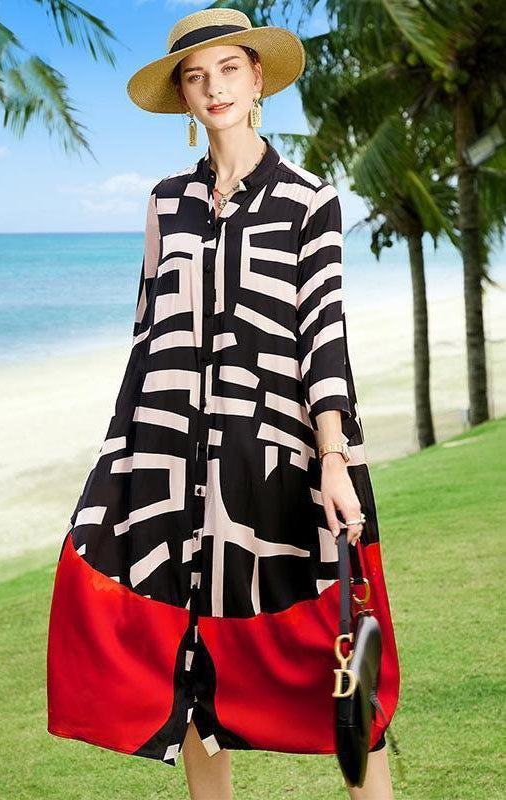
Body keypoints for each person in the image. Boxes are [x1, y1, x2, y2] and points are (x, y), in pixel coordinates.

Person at [46, 8, 401, 800]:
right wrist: (121, 456)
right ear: (183, 95)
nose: (215, 88)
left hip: (278, 456)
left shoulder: (309, 200)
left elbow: (324, 338)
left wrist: (334, 458)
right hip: (171, 458)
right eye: (197, 77)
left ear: (257, 78)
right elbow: (148, 337)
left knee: (336, 650)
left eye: (230, 69)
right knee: (189, 658)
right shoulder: (164, 202)